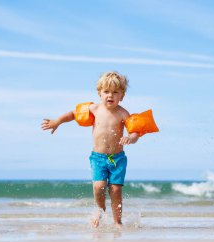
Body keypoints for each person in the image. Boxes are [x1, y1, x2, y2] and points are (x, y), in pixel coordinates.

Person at [41, 71, 158, 229]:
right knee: (99, 186)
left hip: (117, 158)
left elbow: (134, 131)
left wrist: (131, 138)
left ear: (122, 96)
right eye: (106, 91)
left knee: (115, 190)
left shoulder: (123, 113)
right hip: (98, 158)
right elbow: (73, 114)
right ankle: (100, 210)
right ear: (99, 93)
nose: (110, 95)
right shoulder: (94, 109)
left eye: (115, 92)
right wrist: (57, 121)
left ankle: (117, 221)